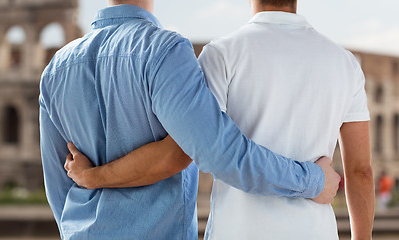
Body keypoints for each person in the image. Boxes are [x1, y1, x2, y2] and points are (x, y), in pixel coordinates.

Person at [64, 0, 374, 239]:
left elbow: (182, 150)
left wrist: (96, 176)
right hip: (314, 232)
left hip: (237, 230)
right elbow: (360, 172)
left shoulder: (223, 53)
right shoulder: (345, 64)